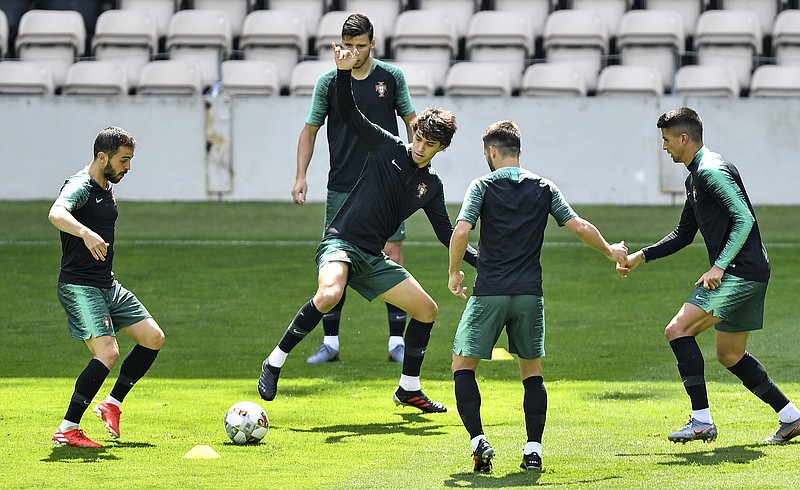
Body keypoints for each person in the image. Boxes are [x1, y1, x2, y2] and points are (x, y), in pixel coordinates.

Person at [258, 42, 477, 413]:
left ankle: (408, 389)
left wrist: (480, 261)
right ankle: (275, 361)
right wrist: (344, 73)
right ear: (414, 132)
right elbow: (349, 112)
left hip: (372, 258)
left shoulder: (432, 186)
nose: (421, 147)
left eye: (431, 144)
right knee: (328, 295)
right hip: (340, 243)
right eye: (419, 138)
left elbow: (446, 233)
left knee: (427, 310)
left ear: (442, 147)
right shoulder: (385, 146)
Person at [448, 121, 628, 473]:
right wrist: (611, 251)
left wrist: (455, 272)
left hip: (489, 293)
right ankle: (533, 451)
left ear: (492, 152)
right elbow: (579, 225)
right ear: (519, 152)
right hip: (530, 294)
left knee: (462, 366)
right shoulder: (544, 186)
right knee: (532, 372)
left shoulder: (481, 185)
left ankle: (478, 442)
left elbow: (461, 230)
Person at [617, 107, 800, 445]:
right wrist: (640, 257)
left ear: (684, 138)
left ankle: (701, 421)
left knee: (677, 330)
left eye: (667, 140)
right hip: (749, 270)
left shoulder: (711, 171)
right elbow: (684, 233)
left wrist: (720, 265)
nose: (664, 147)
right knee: (729, 355)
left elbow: (744, 218)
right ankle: (791, 417)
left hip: (739, 272)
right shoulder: (695, 176)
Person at [292, 13, 416, 365]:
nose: (354, 52)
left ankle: (396, 342)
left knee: (392, 253)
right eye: (348, 46)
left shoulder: (390, 78)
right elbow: (309, 130)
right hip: (343, 186)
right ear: (339, 45)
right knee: (336, 260)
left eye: (361, 46)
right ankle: (330, 343)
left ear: (372, 44)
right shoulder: (329, 82)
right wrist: (301, 175)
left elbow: (411, 121)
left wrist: (413, 166)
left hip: (387, 186)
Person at [49, 126, 165, 448]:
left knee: (153, 338)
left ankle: (111, 404)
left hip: (106, 284)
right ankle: (67, 429)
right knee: (108, 352)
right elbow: (56, 212)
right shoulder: (81, 186)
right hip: (80, 286)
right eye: (123, 160)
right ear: (103, 157)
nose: (128, 167)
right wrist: (85, 233)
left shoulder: (105, 186)